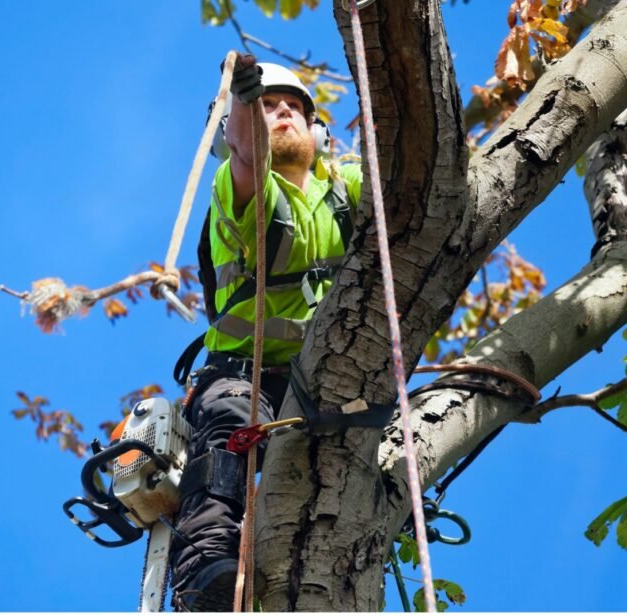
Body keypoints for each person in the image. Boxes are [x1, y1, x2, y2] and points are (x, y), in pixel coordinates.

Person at [169, 54, 362, 612]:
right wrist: (245, 100)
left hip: (326, 379)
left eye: (294, 108)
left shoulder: (344, 190)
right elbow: (249, 151)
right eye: (268, 106)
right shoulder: (237, 187)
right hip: (242, 374)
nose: (281, 114)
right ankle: (208, 569)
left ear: (318, 131)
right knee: (231, 433)